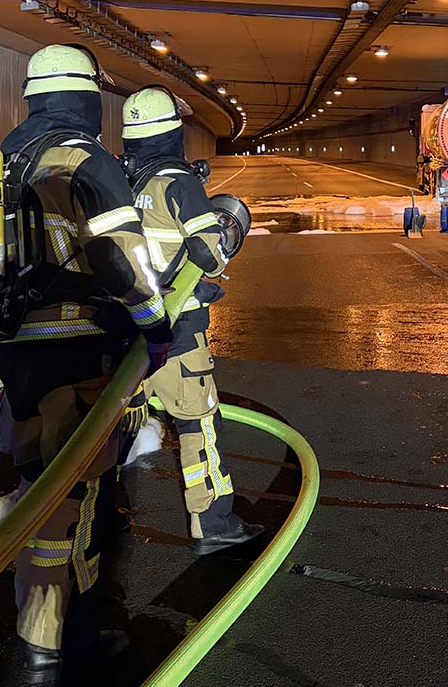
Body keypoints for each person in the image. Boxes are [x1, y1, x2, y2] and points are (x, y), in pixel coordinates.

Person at [0, 45, 172, 685]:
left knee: (37, 484)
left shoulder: (7, 159)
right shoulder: (84, 159)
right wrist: (155, 330)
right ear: (89, 100)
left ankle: (41, 632)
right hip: (77, 348)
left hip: (16, 354)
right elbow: (125, 260)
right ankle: (65, 639)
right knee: (77, 495)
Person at [118, 86, 263, 554]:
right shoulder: (178, 181)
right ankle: (214, 524)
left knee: (119, 425)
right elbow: (209, 252)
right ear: (174, 133)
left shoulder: (123, 180)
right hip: (177, 334)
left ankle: (101, 518)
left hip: (128, 332)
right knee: (198, 427)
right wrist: (222, 237)